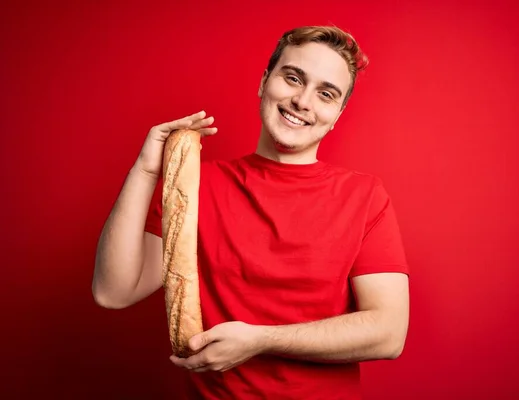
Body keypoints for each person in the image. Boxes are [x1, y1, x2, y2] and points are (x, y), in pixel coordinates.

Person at [93, 25, 410, 400]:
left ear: (337, 114)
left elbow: (389, 333)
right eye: (293, 78)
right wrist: (145, 171)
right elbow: (113, 291)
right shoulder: (194, 185)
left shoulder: (365, 196)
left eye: (325, 94)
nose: (303, 101)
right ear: (264, 82)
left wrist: (260, 340)